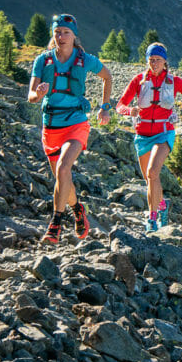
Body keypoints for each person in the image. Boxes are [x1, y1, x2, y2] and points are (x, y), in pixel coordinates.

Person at [27, 14, 113, 243]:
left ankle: (54, 224)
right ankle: (78, 211)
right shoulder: (42, 61)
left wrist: (104, 108)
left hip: (76, 123)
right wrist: (40, 94)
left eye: (66, 32)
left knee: (64, 169)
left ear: (74, 36)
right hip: (51, 127)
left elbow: (107, 76)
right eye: (57, 32)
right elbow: (31, 96)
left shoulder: (85, 59)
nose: (61, 36)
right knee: (61, 177)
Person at [116, 42, 182, 232]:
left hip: (164, 133)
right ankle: (162, 206)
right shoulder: (138, 81)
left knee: (152, 172)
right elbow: (119, 105)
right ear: (147, 61)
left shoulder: (174, 82)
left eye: (158, 60)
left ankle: (152, 219)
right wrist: (130, 110)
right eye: (151, 60)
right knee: (150, 179)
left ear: (165, 61)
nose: (154, 63)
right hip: (142, 135)